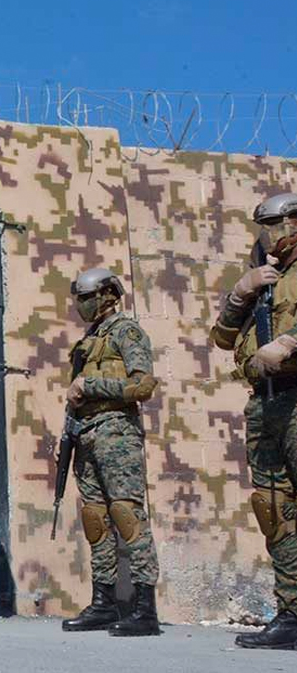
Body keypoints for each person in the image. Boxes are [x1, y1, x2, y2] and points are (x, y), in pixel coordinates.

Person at [55, 269, 161, 637]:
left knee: (126, 514)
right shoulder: (89, 340)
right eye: (79, 297)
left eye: (88, 296)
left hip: (116, 432)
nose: (82, 305)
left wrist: (92, 384)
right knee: (96, 520)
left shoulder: (126, 332)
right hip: (86, 434)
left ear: (108, 295)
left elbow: (143, 385)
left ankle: (145, 608)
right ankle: (104, 602)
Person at [212, 191, 297, 649]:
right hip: (266, 403)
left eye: (281, 221)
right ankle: (292, 614)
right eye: (265, 224)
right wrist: (242, 291)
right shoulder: (264, 278)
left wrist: (288, 343)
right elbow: (223, 338)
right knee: (275, 510)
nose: (273, 232)